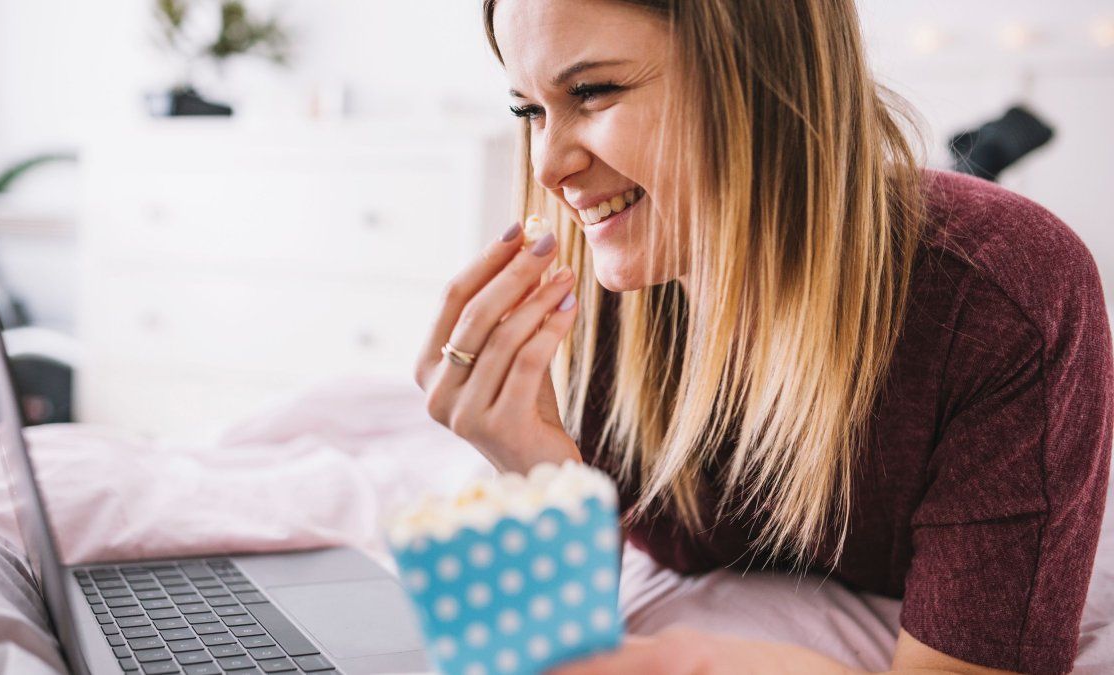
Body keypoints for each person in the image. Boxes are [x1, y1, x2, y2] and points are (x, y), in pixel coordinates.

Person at [412, 1, 1113, 672]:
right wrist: (536, 470)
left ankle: (982, 152)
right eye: (528, 111)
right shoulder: (596, 279)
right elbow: (568, 635)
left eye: (594, 91)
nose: (546, 168)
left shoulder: (1002, 297)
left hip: (917, 245)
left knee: (961, 190)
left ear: (764, 69)